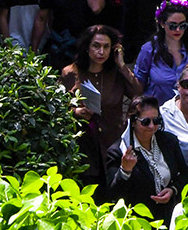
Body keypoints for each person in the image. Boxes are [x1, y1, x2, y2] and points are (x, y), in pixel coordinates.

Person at [60, 25, 142, 187]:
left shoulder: (116, 73)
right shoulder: (71, 72)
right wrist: (75, 111)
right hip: (83, 145)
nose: (101, 52)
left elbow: (137, 92)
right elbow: (58, 106)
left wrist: (122, 65)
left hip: (111, 142)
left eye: (106, 47)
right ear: (87, 47)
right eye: (96, 46)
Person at [107, 95, 188, 225]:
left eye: (156, 120)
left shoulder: (169, 141)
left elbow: (184, 173)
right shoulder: (119, 151)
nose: (151, 126)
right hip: (137, 222)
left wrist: (173, 190)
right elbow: (114, 195)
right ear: (133, 122)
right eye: (145, 122)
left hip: (169, 217)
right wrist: (125, 171)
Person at [134, 0, 188, 104]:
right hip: (157, 109)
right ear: (162, 23)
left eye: (183, 25)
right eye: (172, 26)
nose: (178, 30)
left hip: (186, 109)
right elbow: (139, 84)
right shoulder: (149, 49)